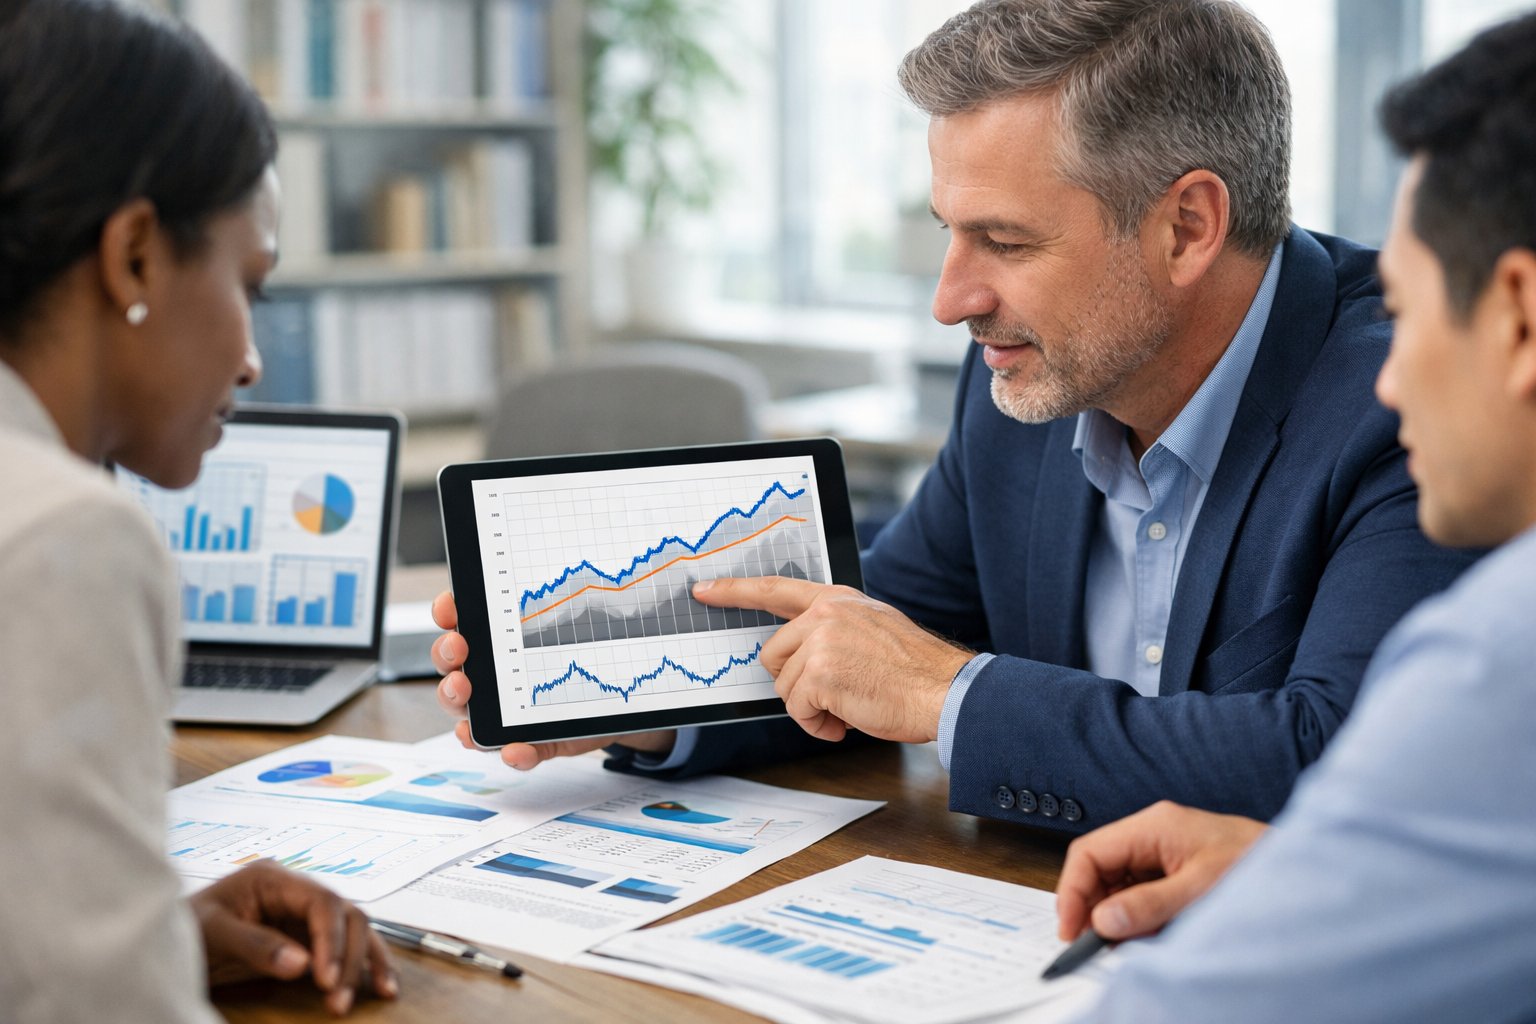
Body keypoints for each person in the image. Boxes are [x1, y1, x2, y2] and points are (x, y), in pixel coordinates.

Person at [432, 0, 1475, 833]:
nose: (952, 299)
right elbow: (873, 642)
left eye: (1006, 242)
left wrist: (954, 692)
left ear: (1187, 226)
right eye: (948, 232)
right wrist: (653, 708)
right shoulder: (1019, 375)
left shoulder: (1419, 399)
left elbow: (1335, 756)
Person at [1052, 11, 1536, 1019]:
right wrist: (1320, 869)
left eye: (1407, 316)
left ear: (1520, 319)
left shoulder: (1507, 647)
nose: (1392, 382)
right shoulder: (1036, 380)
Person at [0, 2, 394, 1020]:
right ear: (135, 255)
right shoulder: (64, 534)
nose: (255, 358)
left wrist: (155, 934)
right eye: (250, 286)